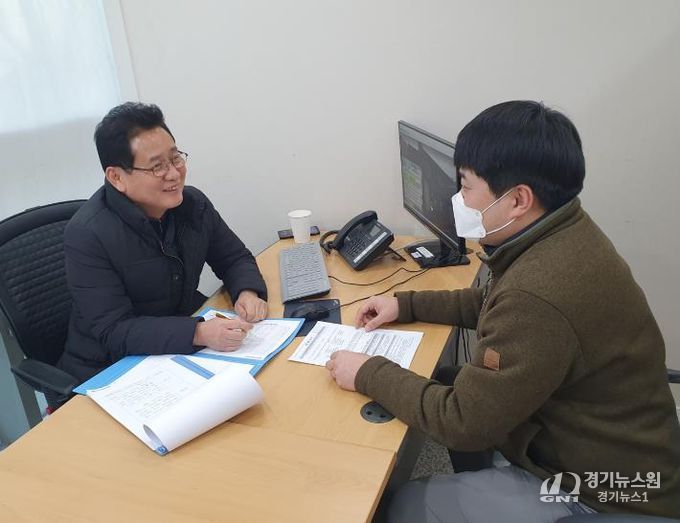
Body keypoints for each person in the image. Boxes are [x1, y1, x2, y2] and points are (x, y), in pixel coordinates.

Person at [325, 101, 680, 520]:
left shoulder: (539, 293)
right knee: (447, 379)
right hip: (609, 441)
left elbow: (462, 421)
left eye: (466, 186)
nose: (458, 199)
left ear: (518, 200)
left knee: (408, 506)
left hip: (603, 490)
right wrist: (405, 304)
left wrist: (367, 371)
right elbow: (494, 303)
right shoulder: (560, 231)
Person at [58, 102, 268, 383]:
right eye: (157, 166)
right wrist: (198, 332)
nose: (174, 174)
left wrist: (247, 292)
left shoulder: (193, 204)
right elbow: (114, 331)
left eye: (175, 158)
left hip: (175, 352)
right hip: (109, 370)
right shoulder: (88, 234)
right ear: (116, 177)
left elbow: (233, 258)